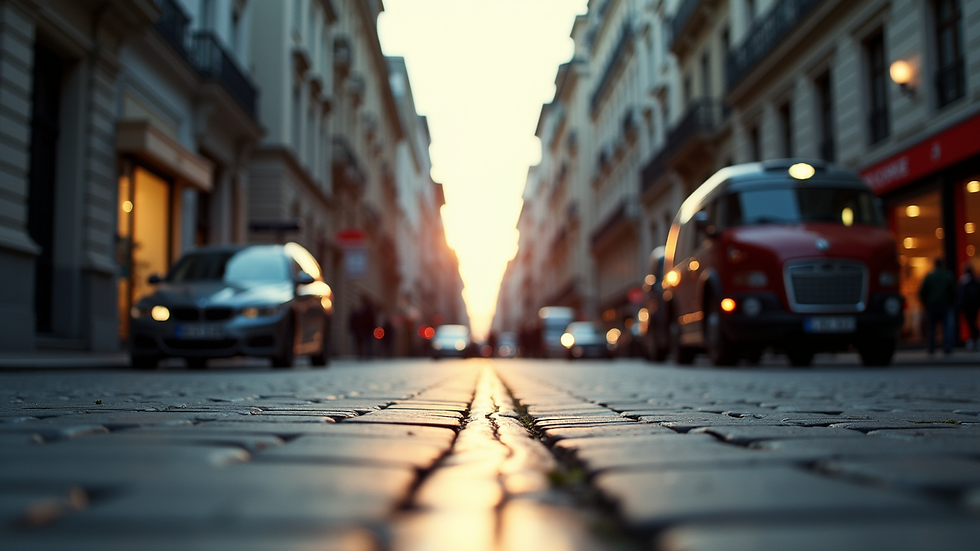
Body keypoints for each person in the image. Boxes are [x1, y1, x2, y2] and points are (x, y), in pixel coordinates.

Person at [919, 257, 957, 355]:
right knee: (946, 327)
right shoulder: (948, 275)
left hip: (932, 306)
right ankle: (947, 347)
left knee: (932, 328)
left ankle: (932, 348)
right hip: (945, 305)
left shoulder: (930, 276)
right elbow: (954, 291)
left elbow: (922, 291)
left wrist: (926, 302)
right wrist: (951, 302)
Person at [956, 265, 980, 350]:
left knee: (970, 324)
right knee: (973, 323)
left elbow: (961, 295)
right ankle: (976, 339)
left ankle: (973, 340)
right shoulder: (976, 279)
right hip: (975, 306)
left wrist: (960, 306)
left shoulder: (964, 280)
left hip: (967, 307)